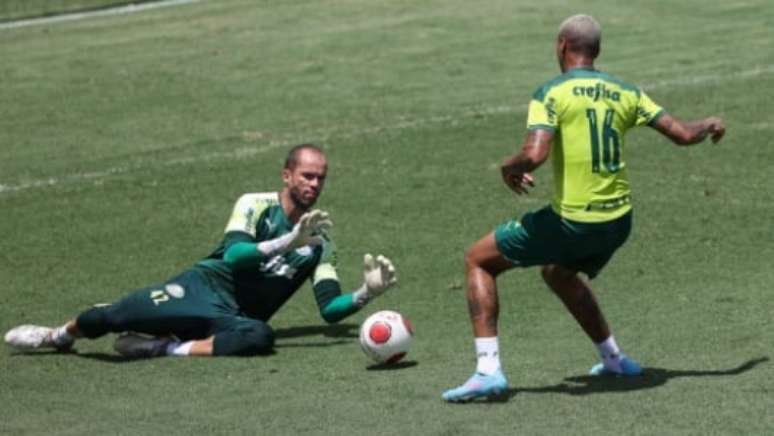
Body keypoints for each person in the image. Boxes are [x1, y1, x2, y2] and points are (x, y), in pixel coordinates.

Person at [442, 14, 725, 402]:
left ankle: (488, 370)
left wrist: (509, 167)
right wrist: (708, 123)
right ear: (597, 51)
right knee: (559, 272)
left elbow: (535, 154)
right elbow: (683, 135)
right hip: (618, 223)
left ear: (561, 46)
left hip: (574, 221)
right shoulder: (626, 91)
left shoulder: (551, 92)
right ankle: (614, 358)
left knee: (478, 260)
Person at [5, 143, 397, 358]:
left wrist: (367, 293)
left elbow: (329, 310)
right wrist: (286, 241)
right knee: (115, 314)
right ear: (287, 175)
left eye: (321, 178)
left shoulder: (321, 241)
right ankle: (56, 335)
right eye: (307, 176)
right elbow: (233, 257)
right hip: (200, 290)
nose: (314, 184)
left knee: (260, 339)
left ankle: (165, 346)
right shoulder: (255, 204)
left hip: (234, 318)